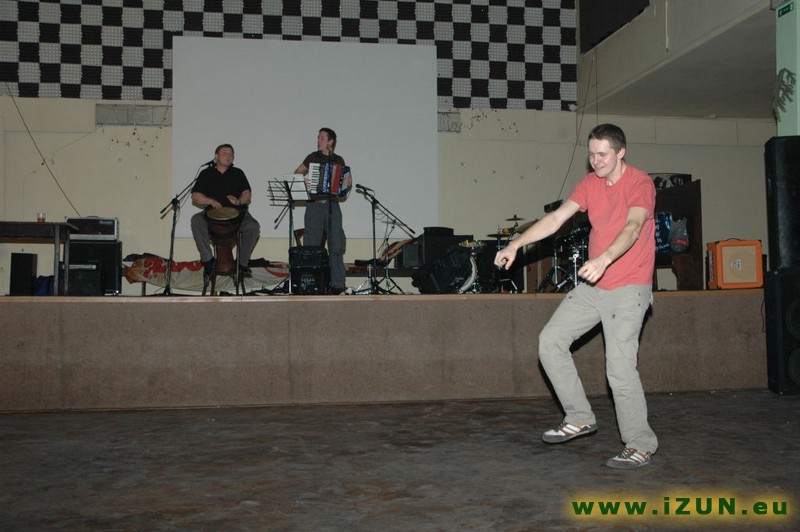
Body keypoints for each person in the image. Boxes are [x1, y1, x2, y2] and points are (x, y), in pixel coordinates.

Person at [494, 123, 658, 469]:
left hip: (629, 287)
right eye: (591, 154)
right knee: (550, 341)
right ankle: (580, 417)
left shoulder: (640, 183)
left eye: (602, 154)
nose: (595, 160)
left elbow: (633, 227)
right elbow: (556, 219)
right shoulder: (590, 184)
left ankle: (640, 445)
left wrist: (604, 259)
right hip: (595, 286)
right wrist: (516, 244)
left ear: (621, 152)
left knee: (619, 369)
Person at [294, 127, 352, 294]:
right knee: (311, 244)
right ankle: (311, 283)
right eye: (318, 137)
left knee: (336, 244)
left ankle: (337, 284)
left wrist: (347, 183)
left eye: (321, 138)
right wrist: (303, 181)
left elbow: (345, 182)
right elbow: (297, 172)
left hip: (332, 204)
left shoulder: (338, 160)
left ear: (330, 142)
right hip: (314, 204)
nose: (318, 140)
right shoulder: (312, 157)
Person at [190, 143, 260, 278]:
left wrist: (239, 201)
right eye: (224, 152)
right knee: (196, 220)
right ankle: (208, 261)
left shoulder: (238, 173)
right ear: (216, 156)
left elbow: (247, 194)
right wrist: (210, 201)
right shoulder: (206, 173)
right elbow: (195, 196)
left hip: (238, 215)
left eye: (231, 154)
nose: (228, 156)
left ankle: (242, 264)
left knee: (253, 226)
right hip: (211, 215)